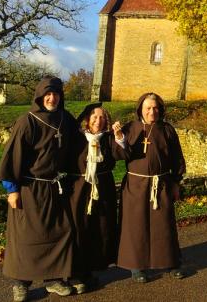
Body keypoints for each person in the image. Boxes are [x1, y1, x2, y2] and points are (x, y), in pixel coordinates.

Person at [0, 76, 78, 302]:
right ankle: (21, 283)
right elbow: (12, 156)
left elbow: (80, 144)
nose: (52, 98)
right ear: (40, 96)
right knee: (26, 237)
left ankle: (53, 279)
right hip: (30, 188)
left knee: (60, 232)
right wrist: (11, 189)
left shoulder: (65, 119)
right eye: (47, 94)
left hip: (56, 187)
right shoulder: (28, 121)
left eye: (56, 94)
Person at [117, 92, 186, 283]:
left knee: (163, 225)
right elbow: (119, 153)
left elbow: (177, 158)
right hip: (135, 186)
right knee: (135, 226)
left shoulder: (167, 130)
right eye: (148, 108)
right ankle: (137, 267)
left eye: (155, 108)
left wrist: (175, 181)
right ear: (140, 109)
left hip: (161, 184)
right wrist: (119, 138)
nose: (152, 111)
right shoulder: (130, 128)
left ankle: (171, 262)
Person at [68, 103, 126, 293]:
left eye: (102, 117)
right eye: (94, 116)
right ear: (87, 119)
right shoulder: (76, 138)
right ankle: (75, 273)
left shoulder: (108, 139)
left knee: (99, 229)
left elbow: (123, 154)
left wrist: (119, 138)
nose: (98, 120)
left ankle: (90, 270)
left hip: (103, 189)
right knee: (79, 228)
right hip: (79, 189)